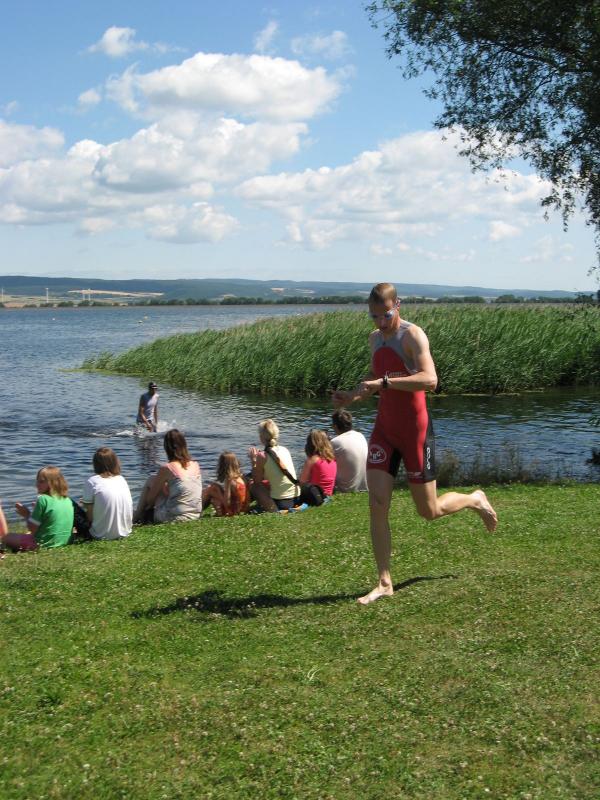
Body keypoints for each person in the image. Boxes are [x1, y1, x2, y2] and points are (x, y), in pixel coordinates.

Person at [333, 282, 498, 605]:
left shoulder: (413, 336)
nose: (380, 322)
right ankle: (384, 581)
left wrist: (384, 382)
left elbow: (430, 380)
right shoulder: (374, 339)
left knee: (429, 510)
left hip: (415, 432)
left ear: (398, 305)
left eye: (385, 314)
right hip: (385, 430)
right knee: (377, 504)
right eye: (374, 316)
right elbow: (375, 380)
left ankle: (474, 499)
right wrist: (352, 396)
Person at [134, 429, 202, 523]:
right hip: (195, 514)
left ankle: (137, 516)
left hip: (175, 516)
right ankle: (139, 515)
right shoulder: (195, 465)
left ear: (166, 448)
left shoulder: (168, 468)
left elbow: (150, 501)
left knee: (151, 480)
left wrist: (161, 489)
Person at [0, 466, 74, 551]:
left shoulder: (43, 499)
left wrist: (26, 514)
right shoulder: (67, 499)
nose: (37, 484)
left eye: (41, 481)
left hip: (42, 544)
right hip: (65, 541)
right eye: (37, 481)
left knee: (6, 537)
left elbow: (32, 528)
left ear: (53, 483)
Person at [248, 419, 301, 511]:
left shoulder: (262, 456)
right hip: (296, 499)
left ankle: (269, 509)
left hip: (281, 503)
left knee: (254, 486)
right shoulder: (285, 450)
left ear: (261, 438)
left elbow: (257, 481)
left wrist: (253, 461)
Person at [82, 447, 133, 540]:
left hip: (100, 535)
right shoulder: (121, 479)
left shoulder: (92, 481)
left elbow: (90, 518)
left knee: (73, 506)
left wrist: (85, 505)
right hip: (125, 532)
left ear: (95, 464)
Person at [330, 409, 368, 493]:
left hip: (346, 489)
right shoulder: (360, 436)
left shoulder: (335, 442)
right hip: (365, 487)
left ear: (335, 426)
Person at [202, 451, 250, 517]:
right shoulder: (241, 477)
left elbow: (227, 502)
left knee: (212, 488)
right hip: (242, 510)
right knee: (214, 491)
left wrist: (219, 492)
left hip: (233, 512)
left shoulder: (229, 480)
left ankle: (197, 510)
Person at [299, 429, 337, 498]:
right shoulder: (332, 459)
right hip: (328, 495)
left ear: (310, 444)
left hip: (315, 496)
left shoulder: (312, 460)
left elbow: (302, 482)